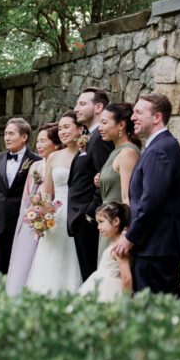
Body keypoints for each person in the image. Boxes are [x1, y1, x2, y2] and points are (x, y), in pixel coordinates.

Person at [111, 93, 180, 297]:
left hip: (157, 245)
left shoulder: (159, 150)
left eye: (139, 112)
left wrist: (130, 236)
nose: (133, 117)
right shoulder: (161, 145)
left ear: (157, 117)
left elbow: (150, 201)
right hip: (158, 243)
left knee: (153, 306)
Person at [24, 112, 84, 295]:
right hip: (56, 215)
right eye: (60, 128)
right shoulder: (54, 157)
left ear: (80, 129)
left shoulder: (86, 154)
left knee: (73, 259)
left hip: (78, 213)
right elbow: (46, 191)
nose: (62, 132)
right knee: (51, 258)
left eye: (66, 127)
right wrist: (42, 213)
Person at [6, 123, 62, 295]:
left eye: (43, 141)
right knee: (24, 257)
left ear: (56, 144)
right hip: (32, 218)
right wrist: (30, 212)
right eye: (37, 141)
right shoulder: (36, 166)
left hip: (54, 216)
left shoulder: (61, 165)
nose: (38, 145)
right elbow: (27, 196)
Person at [0, 118, 40, 278]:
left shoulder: (36, 160)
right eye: (5, 134)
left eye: (11, 134)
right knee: (0, 263)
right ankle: (0, 291)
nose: (7, 138)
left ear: (24, 137)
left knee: (21, 263)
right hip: (1, 221)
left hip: (24, 221)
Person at [66, 87, 113, 280]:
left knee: (92, 274)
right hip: (81, 219)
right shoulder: (90, 137)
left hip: (89, 220)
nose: (76, 108)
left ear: (98, 107)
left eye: (82, 104)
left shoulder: (101, 139)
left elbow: (106, 177)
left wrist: (89, 213)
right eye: (77, 104)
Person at [94, 103, 142, 258]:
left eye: (104, 123)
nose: (100, 128)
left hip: (117, 227)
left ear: (121, 125)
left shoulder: (127, 153)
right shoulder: (116, 151)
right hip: (107, 223)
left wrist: (126, 233)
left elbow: (128, 198)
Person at [78, 201, 133, 301]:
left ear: (116, 221)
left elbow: (126, 278)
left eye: (101, 222)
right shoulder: (113, 244)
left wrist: (126, 301)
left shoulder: (119, 248)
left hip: (110, 291)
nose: (98, 227)